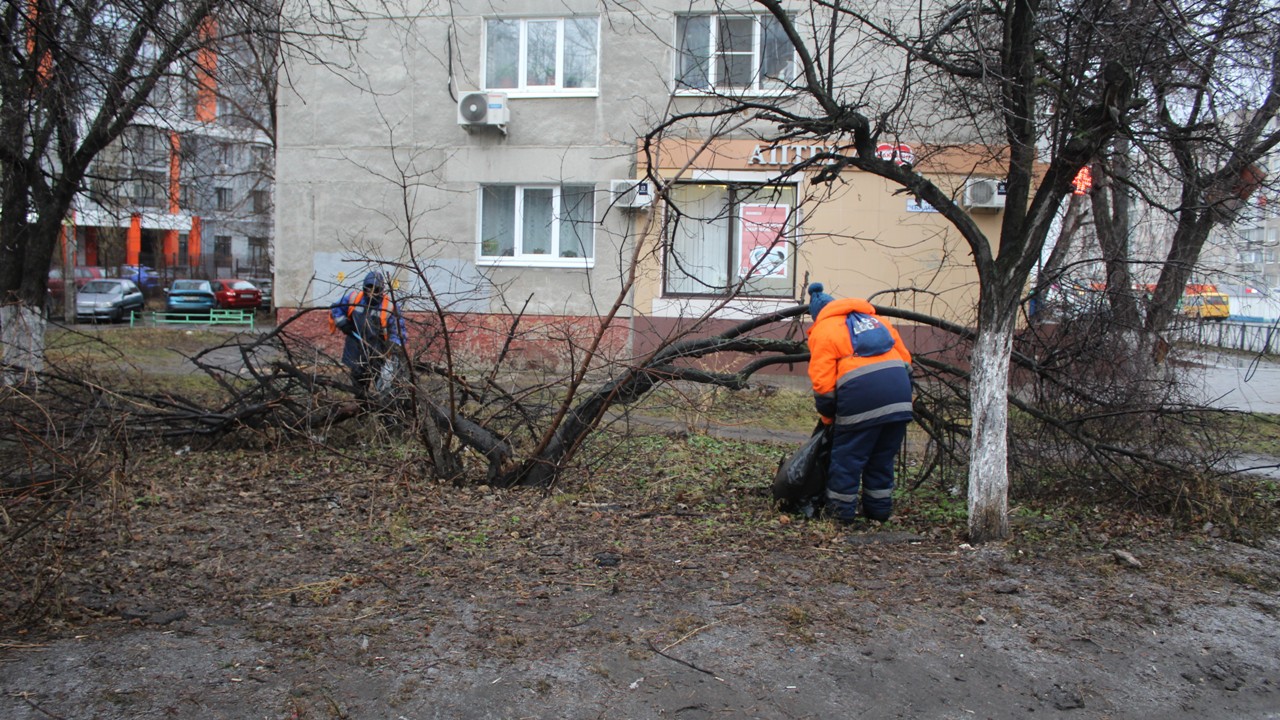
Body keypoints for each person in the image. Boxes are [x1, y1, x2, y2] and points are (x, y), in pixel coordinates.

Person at [805, 282, 913, 524]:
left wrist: (829, 418)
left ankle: (839, 516)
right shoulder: (878, 322)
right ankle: (878, 513)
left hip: (861, 399)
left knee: (847, 460)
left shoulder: (824, 329)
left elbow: (823, 385)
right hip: (900, 399)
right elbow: (906, 361)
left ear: (817, 316)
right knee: (882, 458)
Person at [330, 271, 407, 397]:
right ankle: (361, 410)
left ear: (381, 289)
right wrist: (343, 323)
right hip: (356, 350)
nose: (371, 293)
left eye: (375, 289)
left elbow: (399, 331)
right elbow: (336, 308)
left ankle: (384, 412)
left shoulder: (389, 306)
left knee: (384, 389)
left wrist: (393, 347)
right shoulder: (354, 298)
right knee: (359, 388)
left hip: (379, 354)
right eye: (368, 288)